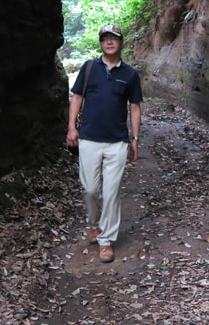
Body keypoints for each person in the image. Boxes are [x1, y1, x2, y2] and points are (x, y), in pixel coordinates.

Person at [66, 24, 143, 263]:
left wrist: (135, 139)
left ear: (121, 43)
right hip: (88, 138)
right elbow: (77, 97)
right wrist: (71, 127)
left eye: (114, 38)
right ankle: (93, 224)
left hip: (117, 142)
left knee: (111, 193)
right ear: (101, 42)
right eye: (105, 38)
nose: (109, 42)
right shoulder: (90, 68)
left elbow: (135, 107)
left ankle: (106, 240)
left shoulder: (130, 74)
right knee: (90, 189)